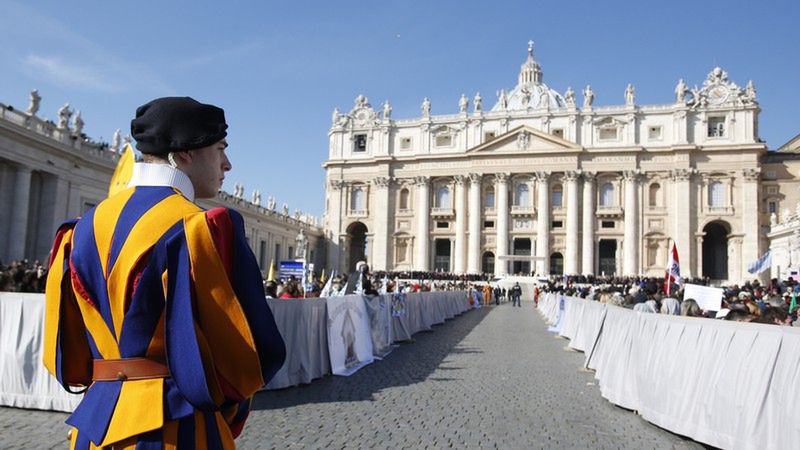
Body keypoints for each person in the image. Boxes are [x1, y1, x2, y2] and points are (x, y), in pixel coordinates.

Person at [43, 96, 286, 449]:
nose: (227, 164)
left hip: (95, 428)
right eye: (220, 149)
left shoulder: (77, 231)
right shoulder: (199, 229)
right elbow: (247, 355)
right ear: (185, 152)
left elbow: (66, 353)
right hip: (177, 428)